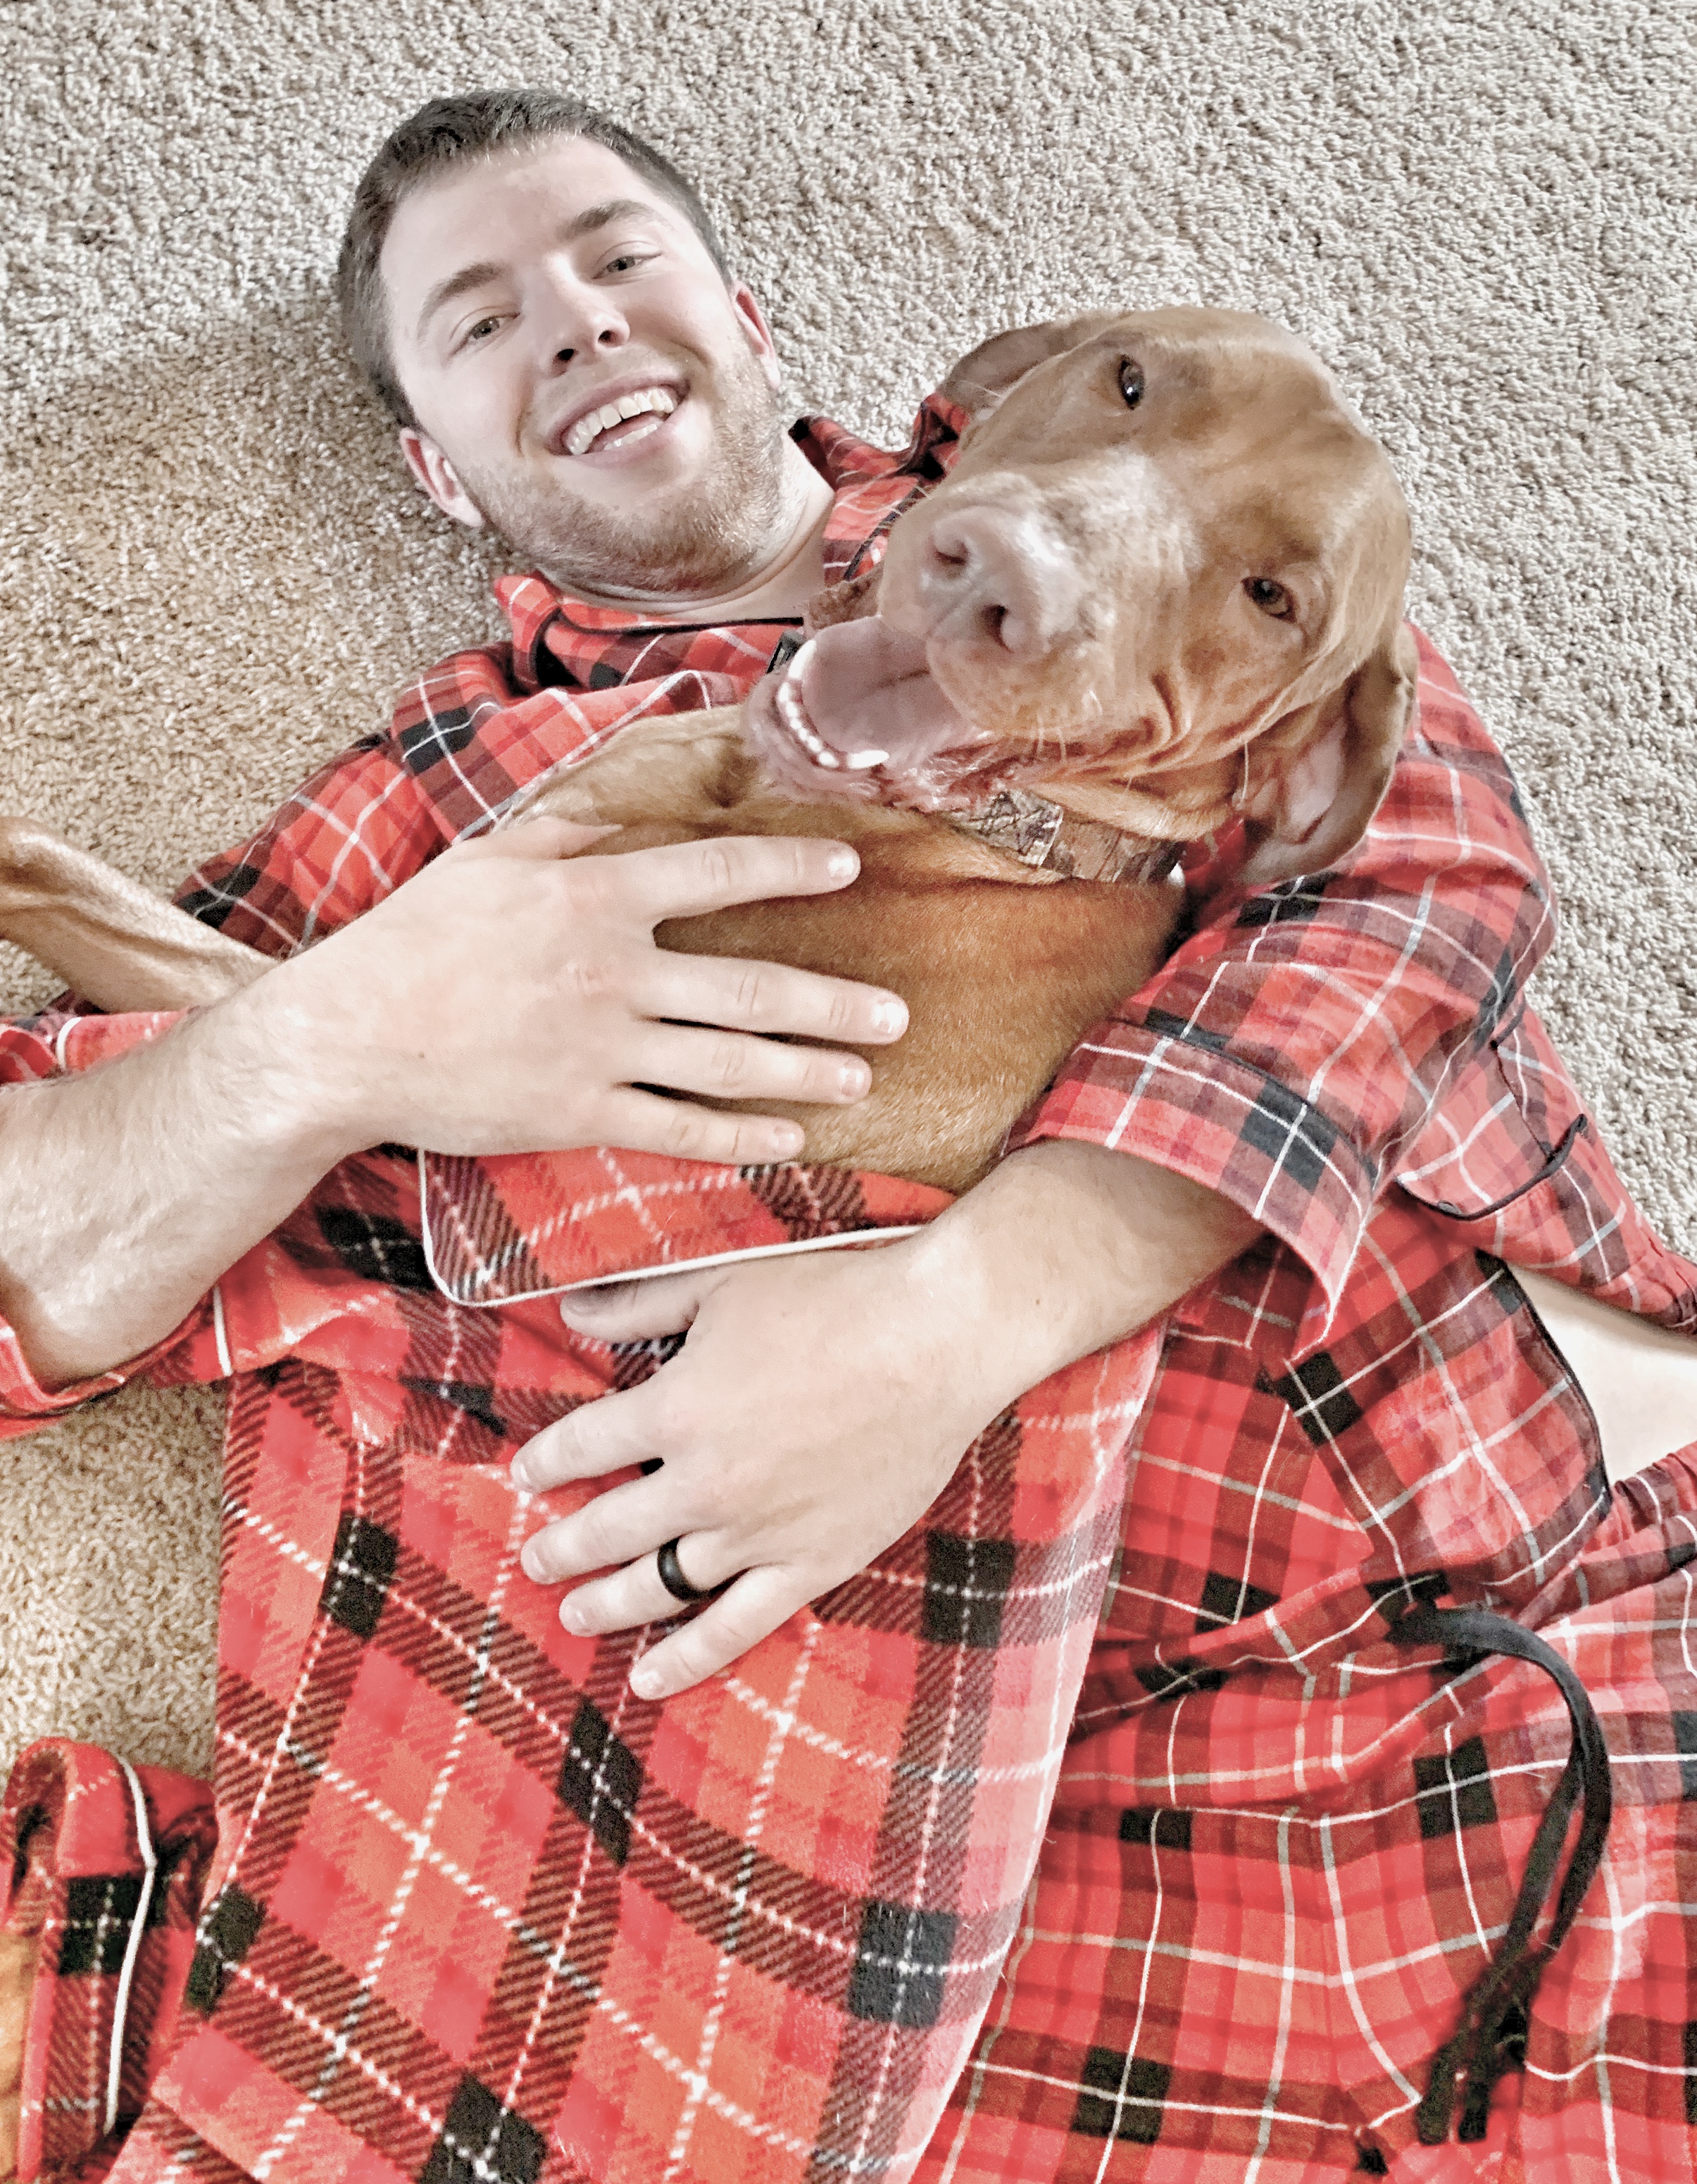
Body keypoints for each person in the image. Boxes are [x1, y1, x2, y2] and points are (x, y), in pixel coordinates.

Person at [1, 87, 1694, 2184]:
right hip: (990, 1864)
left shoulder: (1194, 526)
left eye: (619, 260)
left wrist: (944, 1326)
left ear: (748, 310)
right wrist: (330, 1041)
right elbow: (39, 1252)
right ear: (439, 473)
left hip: (1561, 1628)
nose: (579, 326)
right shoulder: (415, 806)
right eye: (482, 318)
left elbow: (1420, 890)